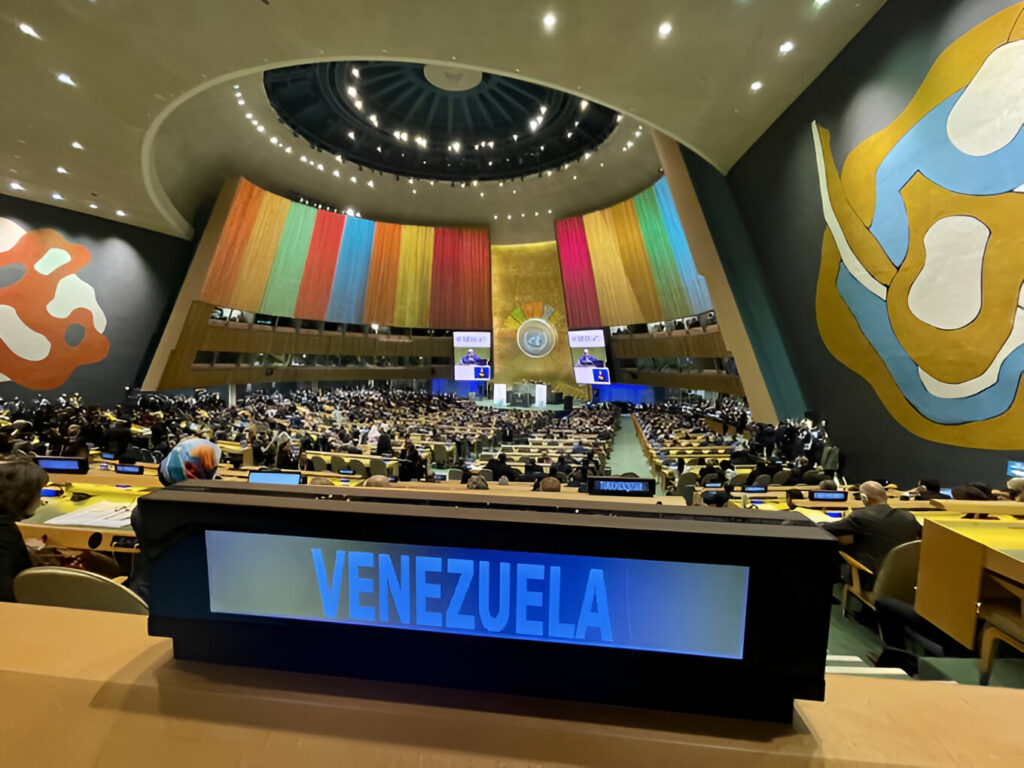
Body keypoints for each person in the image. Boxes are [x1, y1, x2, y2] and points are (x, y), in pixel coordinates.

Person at [821, 481, 921, 589]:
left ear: (863, 498)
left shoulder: (861, 516)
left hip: (871, 579)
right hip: (905, 579)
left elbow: (827, 529)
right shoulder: (909, 517)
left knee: (831, 551)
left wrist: (820, 523)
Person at [0, 456, 49, 601]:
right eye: (38, 494)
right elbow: (7, 593)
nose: (40, 502)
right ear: (23, 497)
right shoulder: (6, 535)